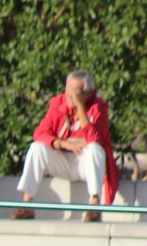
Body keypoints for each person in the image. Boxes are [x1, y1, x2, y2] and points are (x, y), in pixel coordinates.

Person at [10, 70, 118, 222]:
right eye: (68, 89)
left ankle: (94, 206)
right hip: (62, 160)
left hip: (84, 163)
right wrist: (63, 143)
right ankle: (27, 204)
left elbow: (94, 138)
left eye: (76, 91)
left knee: (95, 149)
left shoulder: (98, 106)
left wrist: (80, 106)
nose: (70, 95)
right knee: (37, 148)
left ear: (88, 93)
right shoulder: (58, 103)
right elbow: (40, 133)